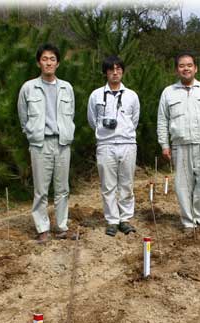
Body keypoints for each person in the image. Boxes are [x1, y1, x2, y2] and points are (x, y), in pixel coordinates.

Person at [157, 52, 200, 232]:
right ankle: (188, 221)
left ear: (195, 68)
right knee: (183, 185)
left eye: (189, 65)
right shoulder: (168, 93)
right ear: (176, 70)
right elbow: (162, 120)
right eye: (181, 66)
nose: (185, 68)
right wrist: (164, 144)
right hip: (180, 144)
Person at [18, 43, 75, 243]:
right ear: (38, 63)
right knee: (41, 189)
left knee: (62, 188)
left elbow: (71, 114)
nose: (48, 63)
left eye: (52, 59)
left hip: (62, 143)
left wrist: (66, 132)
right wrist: (32, 134)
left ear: (57, 63)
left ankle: (61, 226)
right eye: (44, 59)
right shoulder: (28, 88)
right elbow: (23, 117)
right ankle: (42, 228)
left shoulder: (67, 88)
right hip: (40, 144)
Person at [87, 55, 140, 237]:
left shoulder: (132, 96)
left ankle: (125, 219)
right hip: (105, 144)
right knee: (108, 185)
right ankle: (112, 220)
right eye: (111, 69)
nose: (115, 73)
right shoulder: (96, 95)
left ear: (123, 71)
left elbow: (134, 120)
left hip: (127, 144)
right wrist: (103, 133)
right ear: (106, 73)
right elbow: (92, 120)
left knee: (126, 184)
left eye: (118, 69)